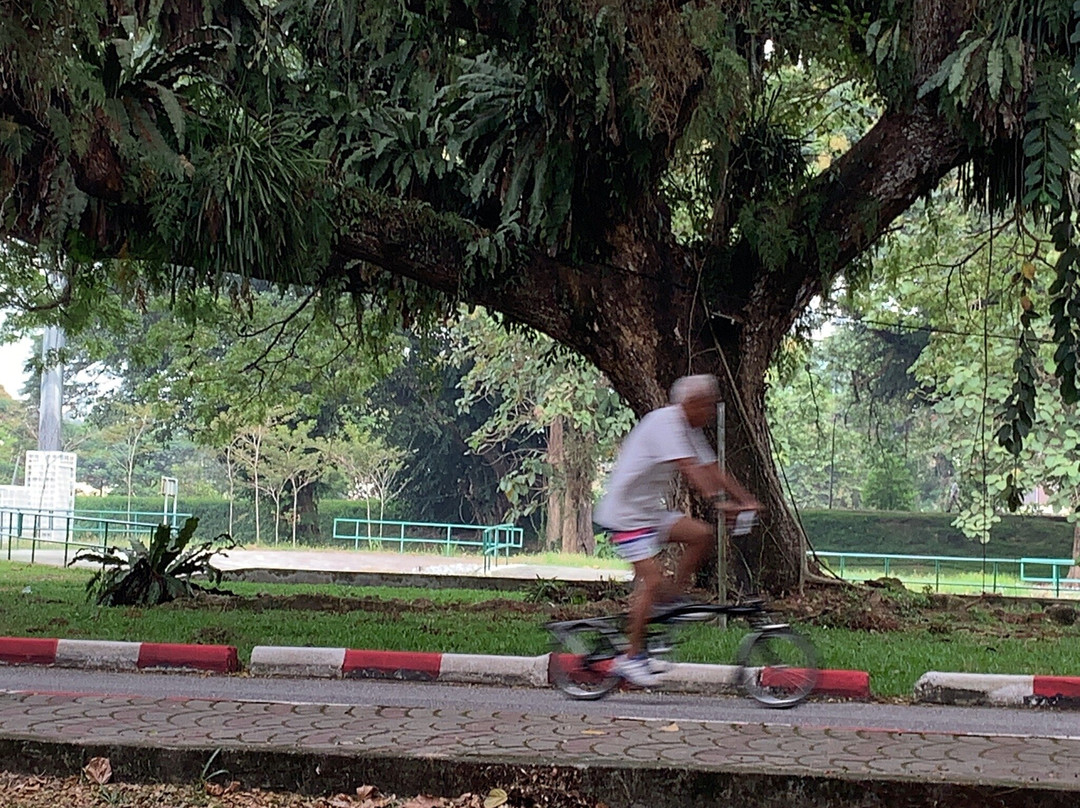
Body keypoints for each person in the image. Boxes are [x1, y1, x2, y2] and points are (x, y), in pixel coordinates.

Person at [593, 374, 760, 687]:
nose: (710, 414)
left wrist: (745, 499)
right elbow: (689, 467)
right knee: (653, 581)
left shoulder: (687, 427)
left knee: (702, 535)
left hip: (649, 514)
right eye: (707, 406)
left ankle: (668, 601)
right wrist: (719, 502)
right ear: (691, 403)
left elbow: (712, 468)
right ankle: (631, 657)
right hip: (625, 515)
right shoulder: (666, 423)